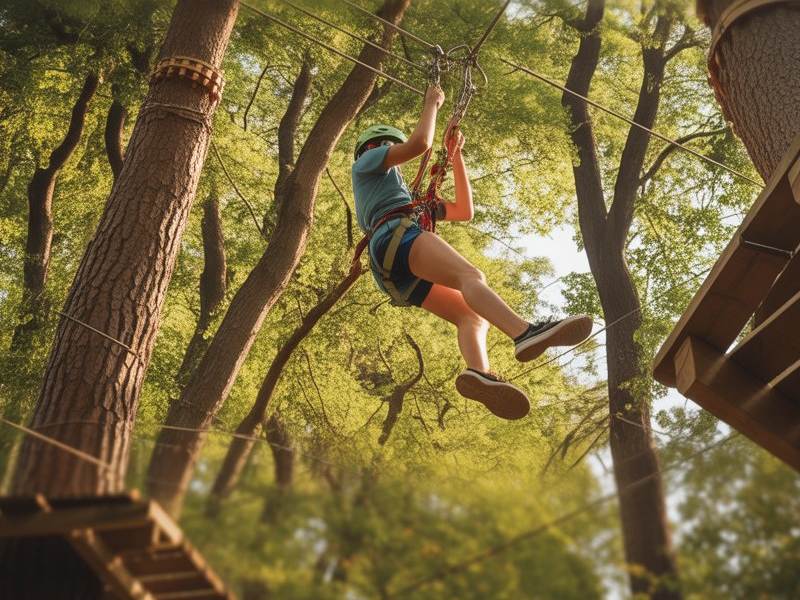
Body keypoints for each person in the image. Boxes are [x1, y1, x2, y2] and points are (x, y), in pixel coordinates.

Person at [351, 84, 592, 420]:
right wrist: (431, 104)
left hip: (394, 269)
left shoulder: (405, 200)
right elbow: (420, 144)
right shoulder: (367, 162)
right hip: (395, 237)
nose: (397, 159)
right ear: (377, 145)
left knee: (472, 315)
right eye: (392, 148)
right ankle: (524, 332)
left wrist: (456, 154)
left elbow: (464, 210)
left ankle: (479, 373)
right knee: (471, 276)